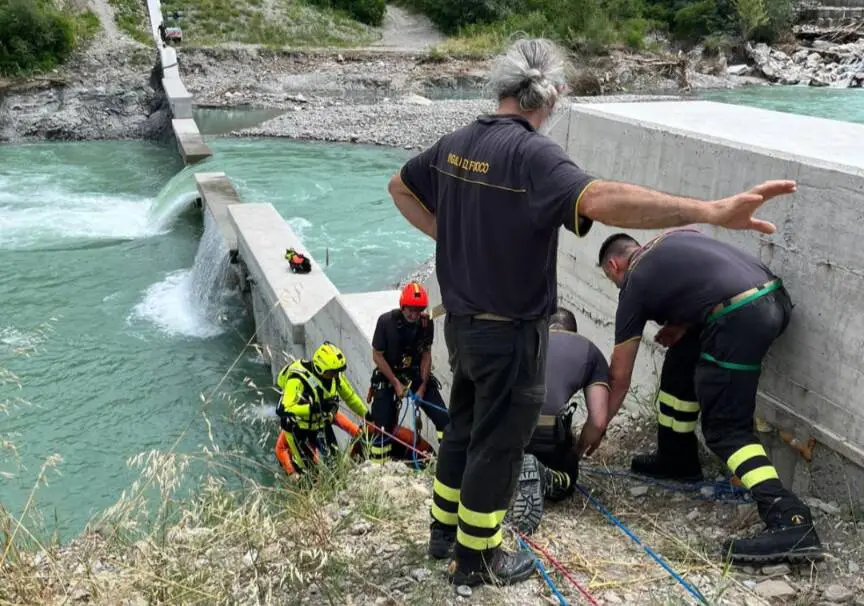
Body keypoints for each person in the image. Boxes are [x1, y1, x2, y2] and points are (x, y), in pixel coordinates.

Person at [387, 34, 797, 587]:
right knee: (500, 442)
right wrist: (711, 209)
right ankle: (477, 559)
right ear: (550, 98)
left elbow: (400, 187)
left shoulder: (456, 143)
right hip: (511, 332)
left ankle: (443, 533)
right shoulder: (533, 154)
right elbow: (601, 199)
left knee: (463, 426)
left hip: (462, 328)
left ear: (502, 88)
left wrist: (450, 240)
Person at [597, 229, 823, 564]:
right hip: (772, 299)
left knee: (726, 430)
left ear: (615, 266)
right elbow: (708, 283)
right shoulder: (672, 239)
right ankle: (676, 458)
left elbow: (620, 377)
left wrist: (594, 431)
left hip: (741, 316)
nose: (617, 285)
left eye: (611, 279)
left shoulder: (634, 282)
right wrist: (684, 325)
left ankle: (789, 518)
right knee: (681, 358)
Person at [507, 307, 610, 534]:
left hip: (509, 433)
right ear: (573, 331)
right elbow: (599, 420)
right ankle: (549, 477)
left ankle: (511, 474)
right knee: (568, 478)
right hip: (548, 437)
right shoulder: (590, 352)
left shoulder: (520, 341)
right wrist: (577, 450)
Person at [367, 282, 450, 464]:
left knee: (444, 419)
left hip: (414, 373)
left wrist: (422, 386)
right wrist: (395, 383)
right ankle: (378, 468)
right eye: (410, 310)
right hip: (388, 373)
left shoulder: (425, 323)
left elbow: (426, 354)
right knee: (382, 426)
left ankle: (448, 464)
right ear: (402, 307)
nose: (414, 314)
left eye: (418, 310)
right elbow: (377, 355)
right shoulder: (386, 322)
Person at [274, 342, 368, 480]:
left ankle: (336, 485)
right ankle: (306, 489)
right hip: (299, 430)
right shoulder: (297, 378)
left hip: (322, 424)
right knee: (309, 473)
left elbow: (350, 397)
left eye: (338, 371)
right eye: (333, 372)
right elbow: (283, 408)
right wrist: (312, 408)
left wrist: (366, 415)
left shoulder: (335, 377)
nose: (337, 375)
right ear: (320, 368)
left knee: (335, 464)